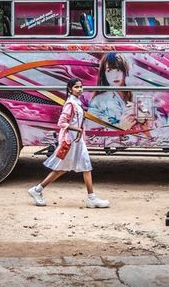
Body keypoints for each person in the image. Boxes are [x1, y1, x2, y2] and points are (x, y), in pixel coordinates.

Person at [27, 78, 109, 208]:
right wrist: (76, 129)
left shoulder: (76, 102)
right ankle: (37, 190)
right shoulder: (70, 103)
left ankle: (91, 197)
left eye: (81, 86)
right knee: (63, 169)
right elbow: (61, 123)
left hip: (77, 141)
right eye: (77, 87)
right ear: (70, 89)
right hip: (71, 142)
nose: (80, 89)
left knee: (84, 166)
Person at [88, 52, 138, 130]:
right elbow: (90, 129)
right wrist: (120, 128)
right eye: (109, 70)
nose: (115, 75)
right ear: (104, 74)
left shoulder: (136, 96)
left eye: (118, 70)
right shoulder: (97, 101)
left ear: (125, 72)